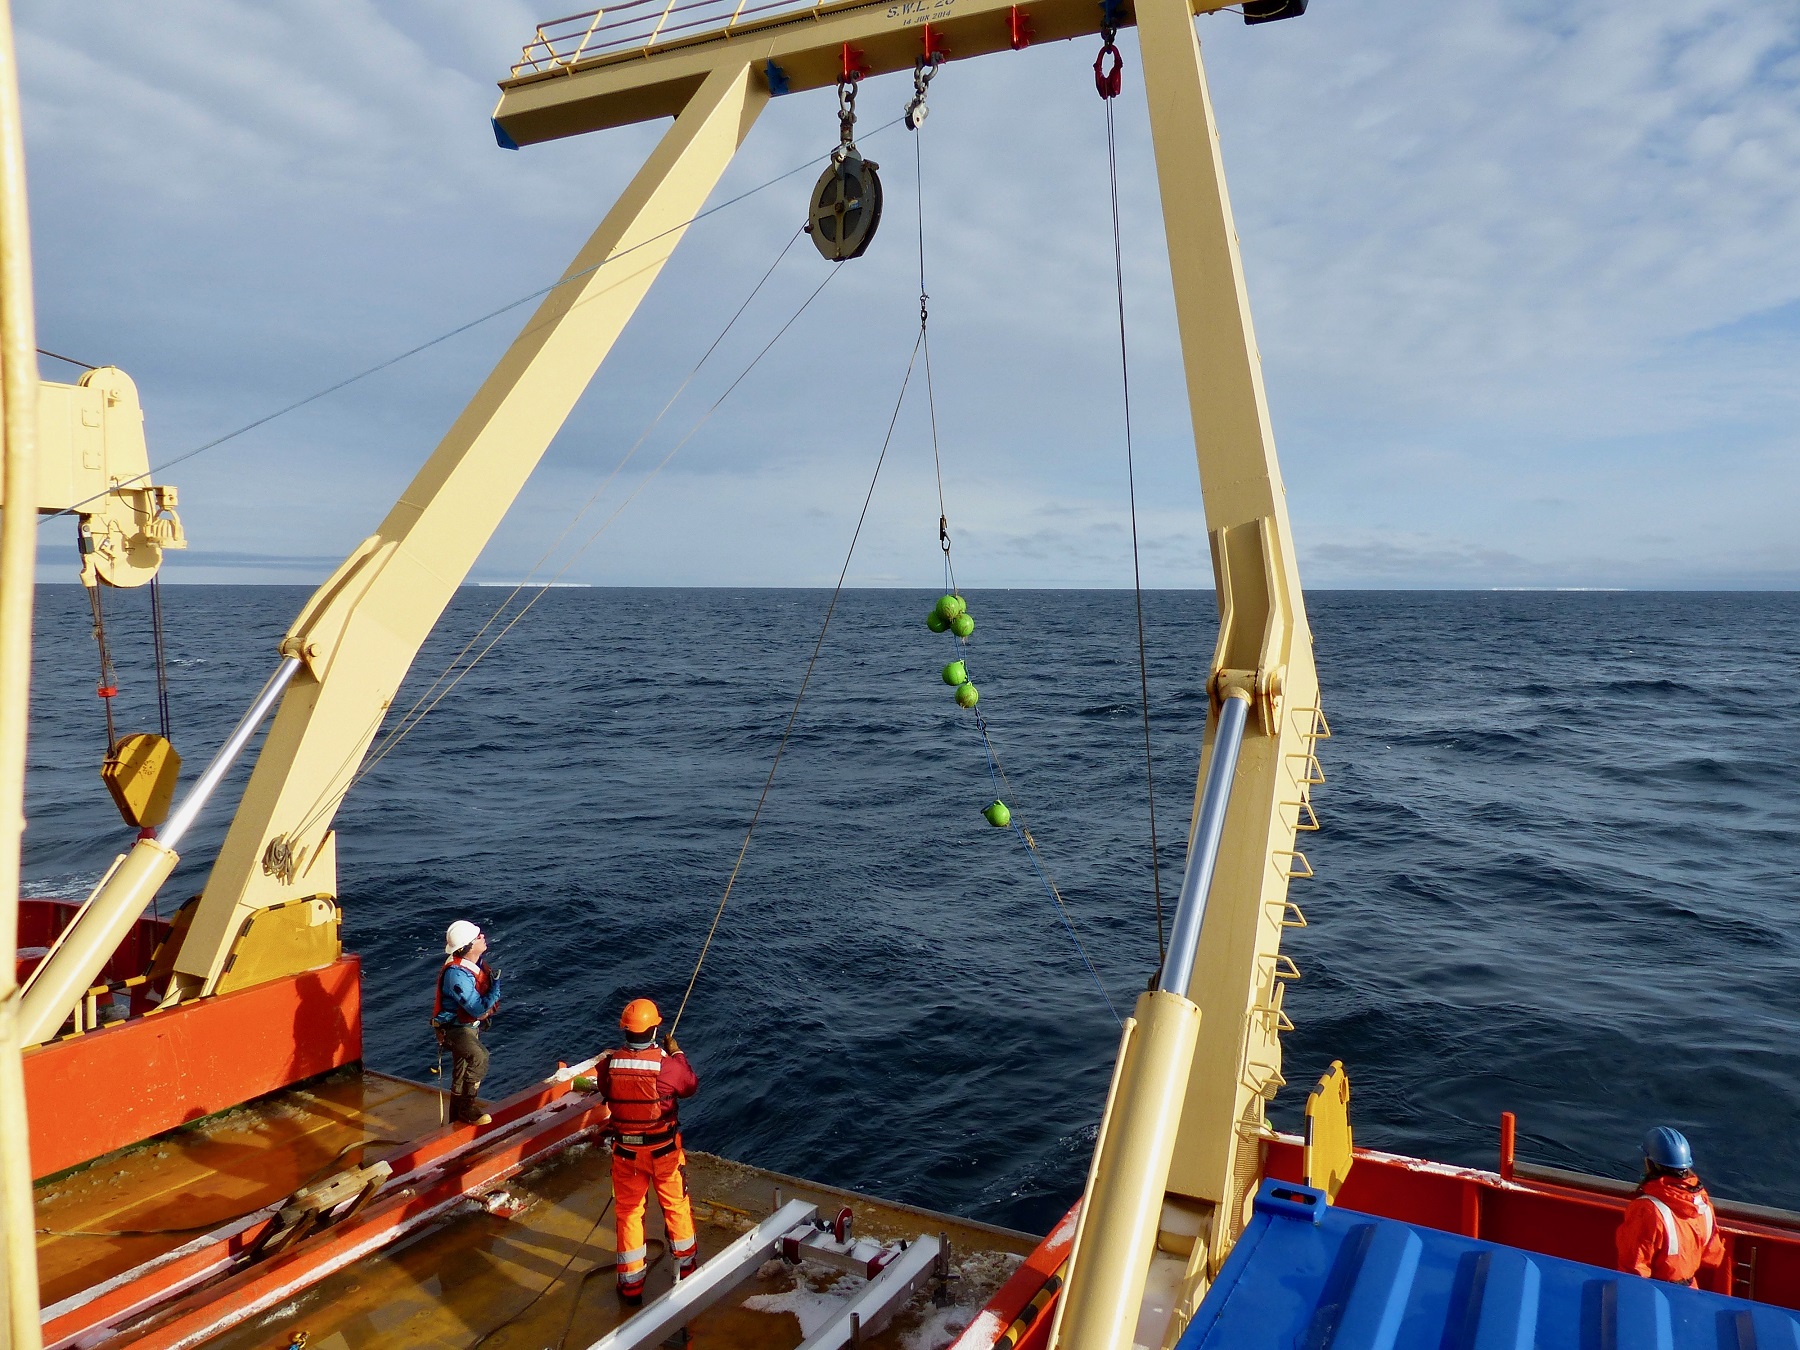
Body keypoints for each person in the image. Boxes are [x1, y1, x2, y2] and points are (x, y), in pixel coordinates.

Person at [600, 997, 699, 1305]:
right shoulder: (666, 1066)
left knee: (629, 1215)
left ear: (625, 1031)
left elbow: (606, 1087)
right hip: (664, 1153)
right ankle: (687, 1274)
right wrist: (677, 1052)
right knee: (676, 1209)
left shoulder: (609, 1064)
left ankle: (630, 1288)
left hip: (626, 1154)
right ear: (655, 1029)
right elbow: (690, 1085)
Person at [1616, 1126, 1725, 1287]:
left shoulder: (1647, 1209)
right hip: (1689, 1292)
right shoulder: (1703, 1204)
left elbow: (1633, 1268)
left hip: (1655, 1294)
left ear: (1649, 1163)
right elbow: (1712, 1256)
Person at [431, 920, 501, 1126]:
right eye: (478, 937)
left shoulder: (474, 965)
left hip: (468, 1027)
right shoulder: (457, 975)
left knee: (461, 1074)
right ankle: (467, 1108)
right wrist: (495, 987)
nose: (483, 937)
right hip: (455, 1029)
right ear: (468, 946)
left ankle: (456, 1119)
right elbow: (477, 1009)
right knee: (479, 1057)